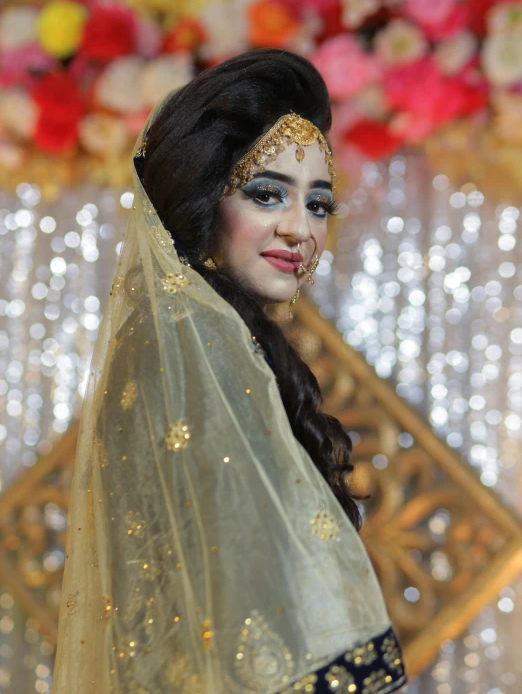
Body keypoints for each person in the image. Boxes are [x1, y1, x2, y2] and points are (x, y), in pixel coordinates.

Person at [51, 49, 407, 694]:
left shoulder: (199, 340)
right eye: (267, 194)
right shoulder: (196, 343)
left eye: (319, 204)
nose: (300, 229)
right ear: (203, 201)